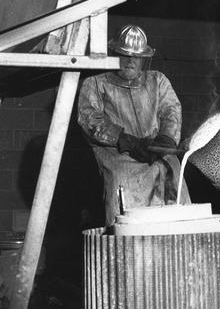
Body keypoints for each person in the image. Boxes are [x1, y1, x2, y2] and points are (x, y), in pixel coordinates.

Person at [77, 24, 190, 226]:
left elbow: (171, 111)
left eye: (136, 56)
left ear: (143, 58)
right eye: (125, 55)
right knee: (125, 213)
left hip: (157, 153)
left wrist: (166, 139)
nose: (131, 61)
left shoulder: (157, 80)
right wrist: (125, 141)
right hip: (120, 158)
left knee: (173, 176)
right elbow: (89, 117)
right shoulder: (95, 83)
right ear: (113, 53)